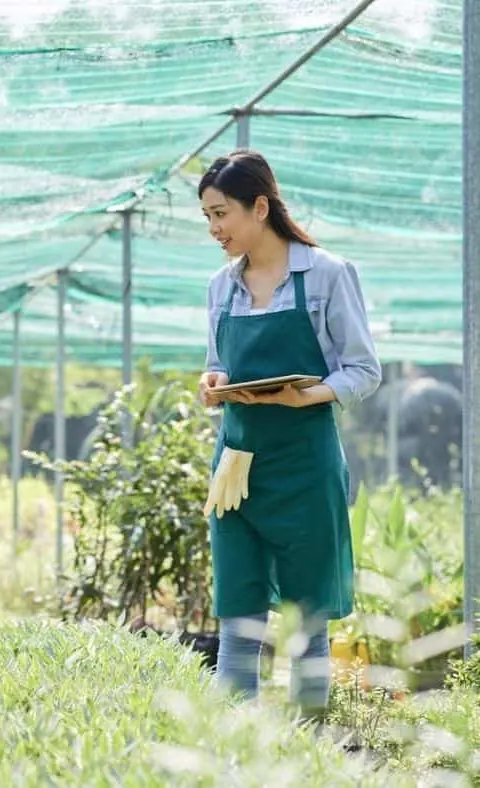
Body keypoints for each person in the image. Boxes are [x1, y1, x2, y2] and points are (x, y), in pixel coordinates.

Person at [197, 150, 381, 721]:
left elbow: (363, 370)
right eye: (206, 217)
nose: (215, 229)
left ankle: (309, 751)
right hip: (236, 467)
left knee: (307, 615)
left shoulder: (327, 274)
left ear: (260, 206)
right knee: (238, 612)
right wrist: (213, 385)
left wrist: (309, 393)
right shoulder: (220, 287)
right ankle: (237, 749)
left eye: (221, 213)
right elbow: (218, 364)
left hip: (304, 464)